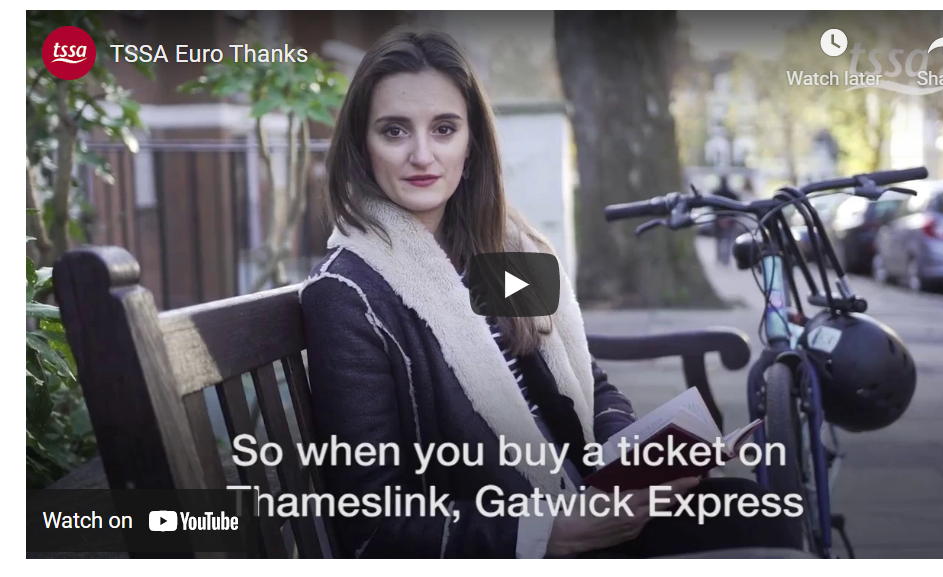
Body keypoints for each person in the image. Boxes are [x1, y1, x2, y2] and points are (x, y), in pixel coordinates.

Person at [299, 25, 803, 559]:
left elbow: (591, 384)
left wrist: (629, 461)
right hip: (517, 543)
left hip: (585, 502)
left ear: (471, 146)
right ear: (362, 146)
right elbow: (372, 526)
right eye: (395, 131)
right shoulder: (349, 293)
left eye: (444, 129)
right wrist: (549, 533)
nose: (422, 154)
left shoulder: (497, 253)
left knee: (757, 513)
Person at [711, 175, 740, 266]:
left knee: (719, 240)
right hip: (730, 219)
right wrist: (729, 217)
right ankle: (725, 260)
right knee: (728, 240)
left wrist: (720, 217)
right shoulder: (732, 194)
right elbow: (738, 207)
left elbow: (712, 207)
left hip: (718, 219)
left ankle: (719, 258)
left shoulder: (715, 193)